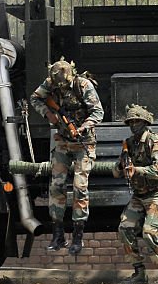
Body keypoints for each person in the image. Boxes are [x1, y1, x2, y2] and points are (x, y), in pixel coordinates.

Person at [30, 59, 104, 256]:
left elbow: (98, 112)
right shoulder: (51, 83)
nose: (60, 87)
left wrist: (83, 126)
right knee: (56, 186)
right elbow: (35, 98)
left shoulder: (83, 85)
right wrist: (48, 114)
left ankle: (78, 237)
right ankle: (58, 235)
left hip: (83, 142)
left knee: (80, 187)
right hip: (62, 141)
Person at [115, 104, 158, 284]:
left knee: (149, 232)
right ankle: (139, 272)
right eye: (131, 122)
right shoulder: (129, 144)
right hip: (139, 195)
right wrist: (121, 166)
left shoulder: (154, 141)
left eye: (137, 121)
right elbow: (116, 172)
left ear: (145, 122)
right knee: (125, 228)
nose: (134, 125)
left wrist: (137, 170)